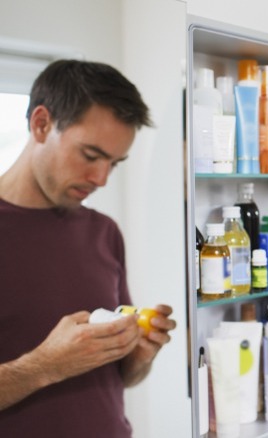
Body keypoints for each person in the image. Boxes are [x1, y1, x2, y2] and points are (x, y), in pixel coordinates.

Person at [0, 59, 176, 437]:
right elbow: (52, 366)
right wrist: (43, 366)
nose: (101, 178)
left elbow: (120, 379)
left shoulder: (104, 232)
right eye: (91, 155)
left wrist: (139, 356)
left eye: (115, 163)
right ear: (41, 124)